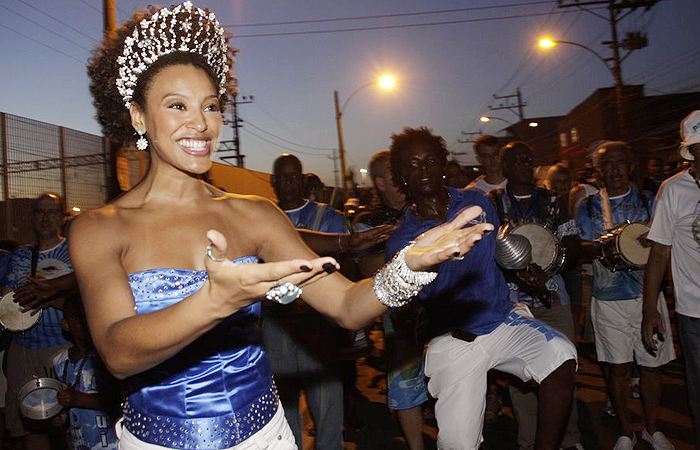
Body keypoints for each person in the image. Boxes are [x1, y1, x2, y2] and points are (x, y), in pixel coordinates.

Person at [74, 3, 492, 449]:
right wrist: (216, 300)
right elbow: (118, 354)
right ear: (139, 116)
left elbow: (347, 305)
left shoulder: (253, 213)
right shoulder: (99, 229)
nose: (200, 123)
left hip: (267, 435)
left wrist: (410, 265)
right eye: (177, 106)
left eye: (211, 106)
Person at [386, 126, 577, 450]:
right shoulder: (403, 240)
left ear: (443, 163)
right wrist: (410, 312)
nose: (423, 169)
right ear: (402, 176)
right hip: (453, 341)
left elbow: (495, 255)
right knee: (459, 444)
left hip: (502, 320)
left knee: (561, 356)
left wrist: (521, 271)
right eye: (413, 164)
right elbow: (405, 303)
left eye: (430, 160)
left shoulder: (475, 201)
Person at [575, 141, 676, 450]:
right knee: (617, 369)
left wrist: (649, 240)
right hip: (608, 299)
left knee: (651, 366)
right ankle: (624, 431)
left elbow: (665, 243)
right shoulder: (588, 206)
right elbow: (580, 247)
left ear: (631, 166)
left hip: (649, 297)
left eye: (621, 163)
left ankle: (651, 428)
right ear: (598, 171)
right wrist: (612, 245)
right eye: (607, 165)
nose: (614, 170)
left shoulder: (651, 200)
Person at [489, 142, 583, 450]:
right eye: (517, 160)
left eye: (529, 159)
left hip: (554, 298)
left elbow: (572, 243)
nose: (525, 164)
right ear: (504, 167)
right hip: (512, 304)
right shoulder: (493, 202)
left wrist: (550, 265)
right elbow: (486, 251)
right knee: (521, 380)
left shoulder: (554, 200)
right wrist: (516, 275)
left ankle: (568, 440)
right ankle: (528, 441)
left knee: (563, 369)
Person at [264, 153, 347, 449]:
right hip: (276, 326)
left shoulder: (329, 217)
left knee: (327, 409)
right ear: (273, 182)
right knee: (283, 414)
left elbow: (344, 264)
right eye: (282, 177)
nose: (288, 182)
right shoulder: (263, 218)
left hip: (318, 326)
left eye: (294, 176)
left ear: (302, 178)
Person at [355, 151, 428, 450]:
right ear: (381, 182)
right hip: (401, 319)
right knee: (408, 387)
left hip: (446, 309)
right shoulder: (366, 222)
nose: (402, 179)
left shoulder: (424, 206)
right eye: (393, 175)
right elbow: (366, 267)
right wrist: (406, 247)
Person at [2, 192, 78, 450]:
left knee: (70, 421)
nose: (45, 218)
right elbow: (5, 298)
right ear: (32, 218)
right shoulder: (19, 255)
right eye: (39, 212)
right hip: (24, 348)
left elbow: (87, 294)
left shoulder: (75, 250)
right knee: (30, 419)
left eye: (52, 211)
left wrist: (51, 298)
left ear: (62, 217)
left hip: (64, 348)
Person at [643, 110, 700, 450]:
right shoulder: (673, 189)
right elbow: (659, 252)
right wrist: (650, 309)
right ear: (691, 151)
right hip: (695, 312)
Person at [52, 294, 119, 450]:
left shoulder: (107, 357)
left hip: (111, 443)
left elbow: (118, 403)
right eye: (78, 317)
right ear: (66, 324)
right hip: (81, 442)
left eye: (88, 314)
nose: (85, 321)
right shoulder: (60, 362)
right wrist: (61, 416)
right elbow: (65, 405)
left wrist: (79, 399)